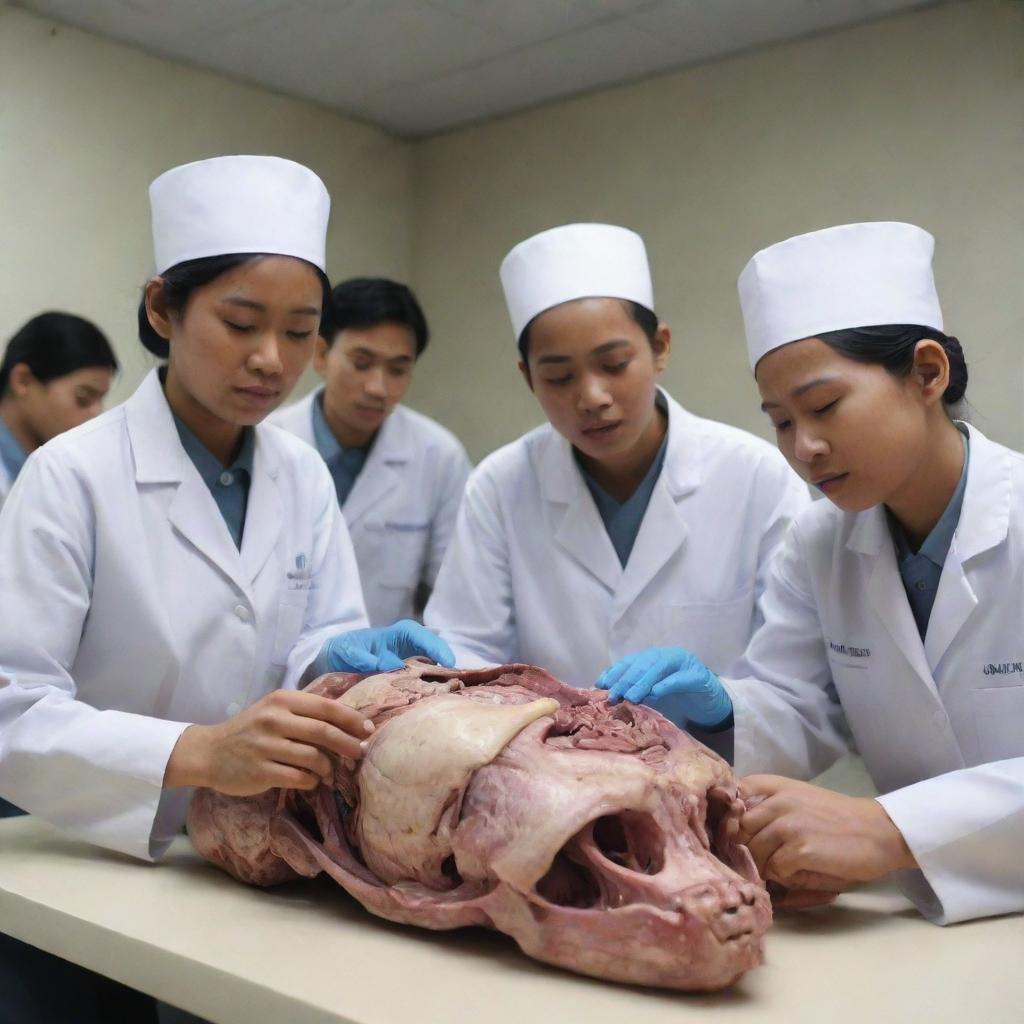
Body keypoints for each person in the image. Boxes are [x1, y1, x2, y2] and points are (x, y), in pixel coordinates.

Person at [0, 155, 451, 1023]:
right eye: (240, 322)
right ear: (163, 308)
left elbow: (314, 637)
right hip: (74, 849)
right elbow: (12, 711)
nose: (270, 360)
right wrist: (202, 753)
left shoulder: (300, 474)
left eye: (297, 331)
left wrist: (346, 659)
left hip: (242, 856)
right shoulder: (71, 476)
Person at [600, 221, 1024, 925]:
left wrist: (885, 830)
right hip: (922, 914)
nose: (806, 447)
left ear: (927, 373)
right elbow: (802, 702)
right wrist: (726, 710)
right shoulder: (820, 540)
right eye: (781, 421)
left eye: (824, 407)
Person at [425, 223, 809, 700]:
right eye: (560, 376)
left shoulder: (757, 477)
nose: (592, 397)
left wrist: (723, 707)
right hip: (548, 765)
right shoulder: (501, 485)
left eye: (614, 365)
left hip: (720, 764)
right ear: (528, 378)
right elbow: (466, 650)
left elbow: (796, 684)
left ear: (660, 347)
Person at [268, 277, 471, 625]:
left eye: (397, 370)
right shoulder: (268, 441)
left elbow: (454, 597)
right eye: (361, 363)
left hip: (385, 670)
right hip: (276, 670)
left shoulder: (439, 456)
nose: (378, 387)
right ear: (321, 354)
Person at [0, 311, 118, 511]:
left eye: (100, 399)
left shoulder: (59, 473)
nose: (95, 413)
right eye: (83, 397)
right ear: (23, 380)